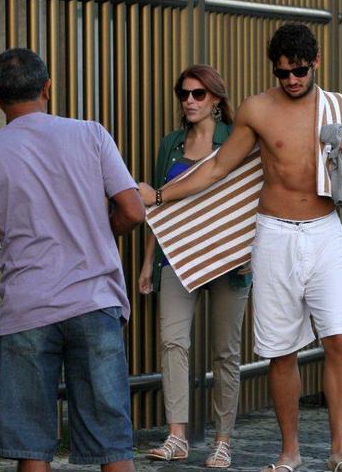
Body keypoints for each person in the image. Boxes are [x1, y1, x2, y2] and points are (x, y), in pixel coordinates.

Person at [139, 24, 342, 472]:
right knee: (280, 349)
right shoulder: (256, 110)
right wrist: (162, 197)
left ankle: (341, 450)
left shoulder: (338, 106)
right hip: (274, 234)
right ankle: (290, 452)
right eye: (282, 72)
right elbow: (218, 169)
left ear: (315, 63)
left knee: (339, 339)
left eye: (300, 70)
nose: (291, 80)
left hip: (325, 231)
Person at [0, 48, 144, 472]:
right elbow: (132, 210)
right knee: (112, 444)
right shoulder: (92, 134)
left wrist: (2, 257)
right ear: (47, 88)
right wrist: (97, 232)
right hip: (94, 301)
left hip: (27, 308)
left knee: (31, 447)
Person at [138, 65, 252, 468]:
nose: (189, 100)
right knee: (173, 343)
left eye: (199, 94)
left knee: (225, 352)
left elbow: (253, 199)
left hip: (229, 261)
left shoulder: (238, 140)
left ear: (217, 99)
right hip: (175, 258)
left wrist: (250, 251)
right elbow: (158, 205)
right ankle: (177, 437)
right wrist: (148, 262)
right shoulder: (170, 144)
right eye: (184, 93)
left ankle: (223, 441)